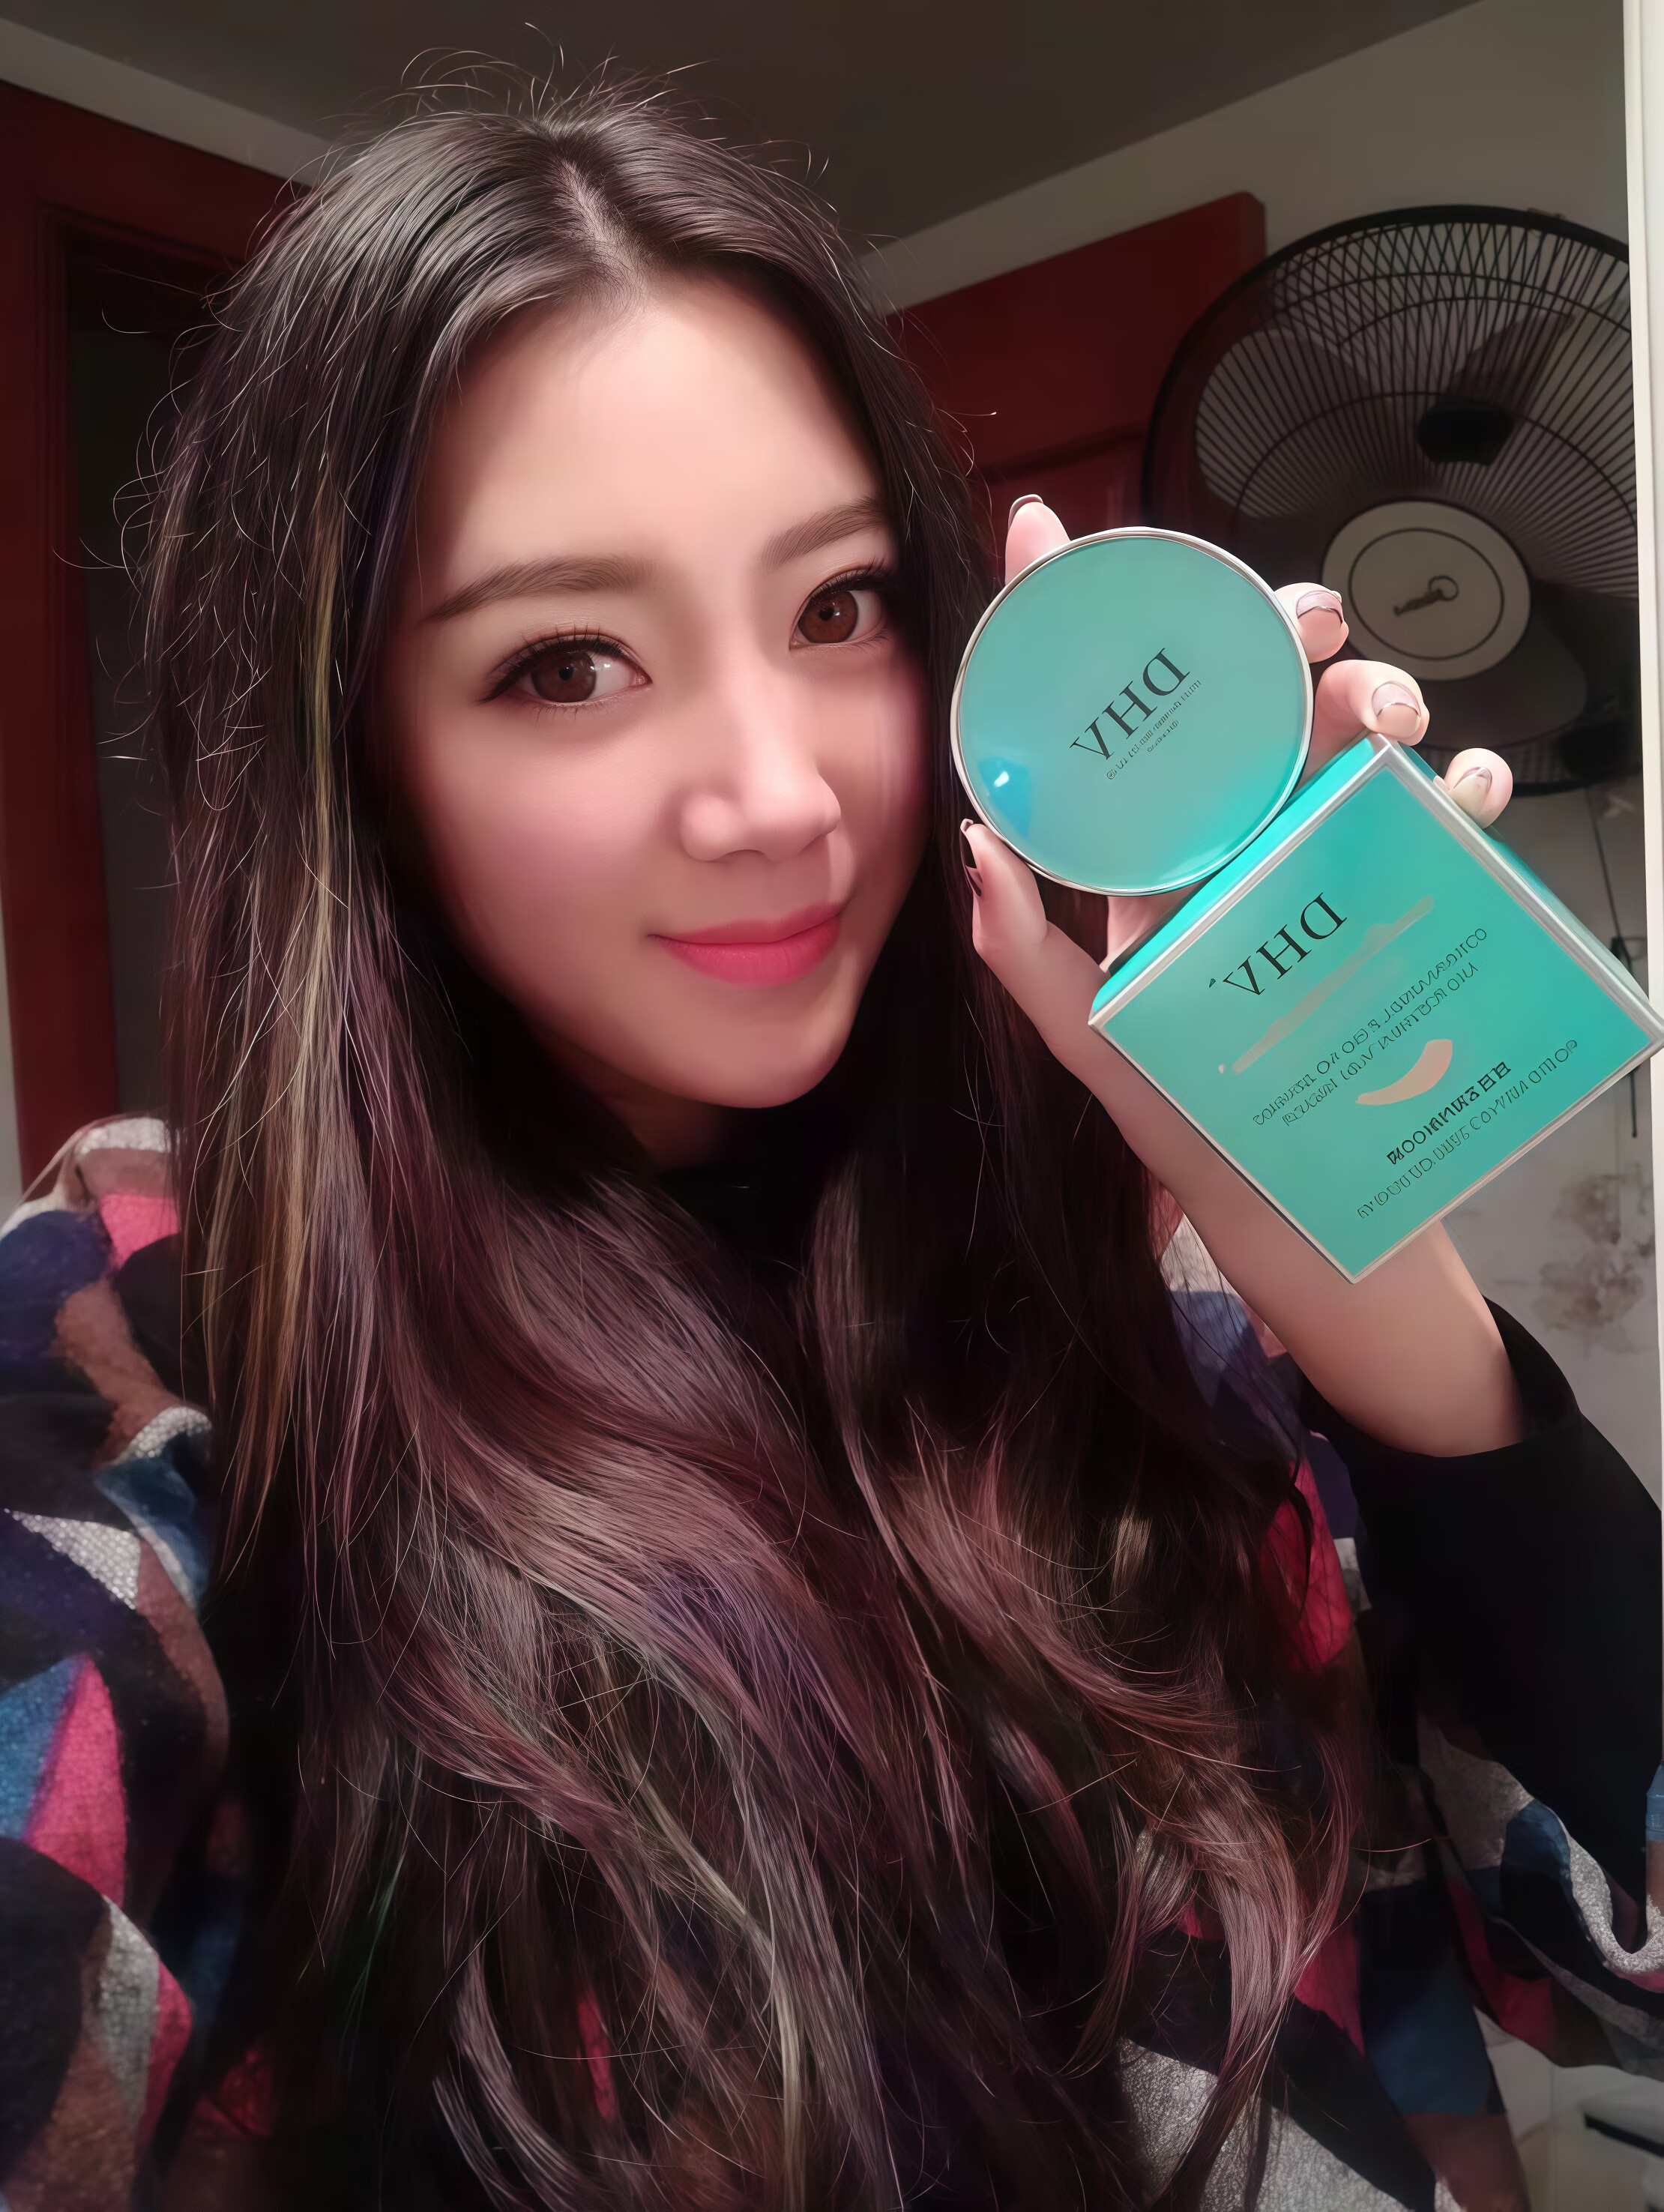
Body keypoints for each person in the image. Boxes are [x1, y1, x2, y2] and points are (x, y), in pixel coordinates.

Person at [0, 84, 1658, 2212]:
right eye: (567, 662)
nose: (780, 794)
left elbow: (1620, 1977)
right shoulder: (156, 1338)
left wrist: (1343, 1251)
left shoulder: (1134, 1300)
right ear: (355, 754)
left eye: (839, 607)